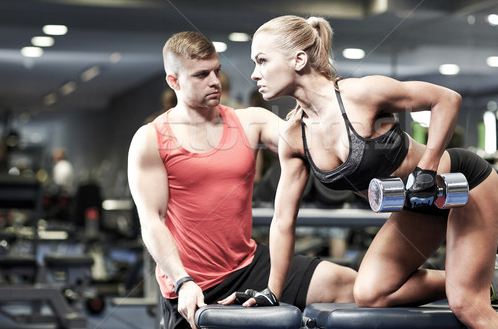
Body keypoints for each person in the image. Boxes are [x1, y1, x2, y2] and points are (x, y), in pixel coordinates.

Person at [246, 15, 498, 329]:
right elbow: (282, 221)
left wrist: (427, 169)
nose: (255, 74)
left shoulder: (360, 94)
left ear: (298, 59)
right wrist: (273, 291)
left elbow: (446, 99)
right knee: (369, 293)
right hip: (418, 209)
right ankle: (489, 278)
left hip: (459, 184)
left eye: (263, 61)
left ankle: (474, 284)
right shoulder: (295, 138)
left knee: (467, 305)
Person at [127, 31, 356, 329]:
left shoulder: (250, 122)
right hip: (192, 284)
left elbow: (308, 140)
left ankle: (440, 279)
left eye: (216, 71)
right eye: (201, 75)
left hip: (250, 265)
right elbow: (152, 221)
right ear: (174, 81)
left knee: (351, 285)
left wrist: (316, 89)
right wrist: (182, 281)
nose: (214, 81)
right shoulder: (151, 139)